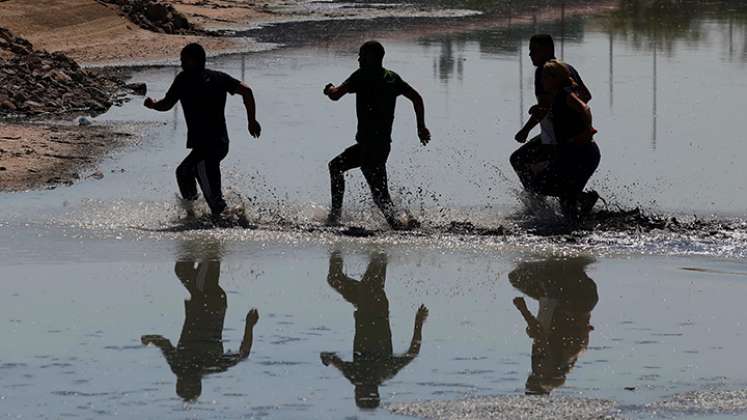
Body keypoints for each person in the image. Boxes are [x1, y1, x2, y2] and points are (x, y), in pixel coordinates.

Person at [144, 43, 262, 219]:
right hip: (215, 144)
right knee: (183, 172)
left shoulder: (184, 79)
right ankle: (194, 215)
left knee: (210, 191)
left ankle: (223, 218)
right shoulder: (218, 77)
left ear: (192, 61)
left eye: (183, 60)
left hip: (210, 148)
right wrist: (251, 121)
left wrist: (153, 105)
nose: (181, 63)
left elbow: (167, 104)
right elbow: (247, 91)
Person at [323, 40, 431, 230]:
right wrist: (420, 127)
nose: (358, 59)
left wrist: (329, 88)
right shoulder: (392, 78)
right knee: (376, 192)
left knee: (376, 193)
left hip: (368, 146)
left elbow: (336, 95)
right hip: (381, 145)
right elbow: (416, 98)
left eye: (361, 55)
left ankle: (337, 218)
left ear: (372, 58)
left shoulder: (362, 76)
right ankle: (403, 223)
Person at [141, 242, 259, 401]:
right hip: (210, 302)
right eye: (186, 381)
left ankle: (198, 228)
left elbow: (164, 343)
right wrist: (249, 325)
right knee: (210, 257)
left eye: (182, 380)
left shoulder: (180, 365)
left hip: (204, 301)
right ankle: (215, 229)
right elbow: (243, 354)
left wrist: (151, 339)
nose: (183, 377)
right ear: (196, 382)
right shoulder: (209, 365)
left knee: (183, 270)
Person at [320, 251, 429, 408]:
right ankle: (384, 239)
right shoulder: (376, 373)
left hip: (364, 305)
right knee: (376, 263)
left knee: (335, 278)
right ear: (364, 392)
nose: (356, 390)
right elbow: (412, 353)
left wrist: (329, 359)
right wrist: (418, 322)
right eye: (358, 393)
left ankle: (337, 243)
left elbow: (413, 352)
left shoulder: (365, 375)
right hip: (374, 306)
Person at [511, 34, 599, 217]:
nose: (529, 55)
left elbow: (577, 105)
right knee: (565, 197)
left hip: (556, 139)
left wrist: (525, 130)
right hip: (566, 138)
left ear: (545, 50)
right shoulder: (567, 68)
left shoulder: (545, 71)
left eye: (533, 50)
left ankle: (537, 205)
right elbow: (586, 95)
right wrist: (562, 111)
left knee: (520, 161)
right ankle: (575, 202)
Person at [509, 256, 598, 395]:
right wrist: (523, 309)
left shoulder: (568, 360)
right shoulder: (543, 369)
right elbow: (538, 333)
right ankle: (563, 264)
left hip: (587, 297)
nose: (527, 382)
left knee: (517, 277)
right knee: (528, 275)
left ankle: (571, 267)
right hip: (569, 296)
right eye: (528, 386)